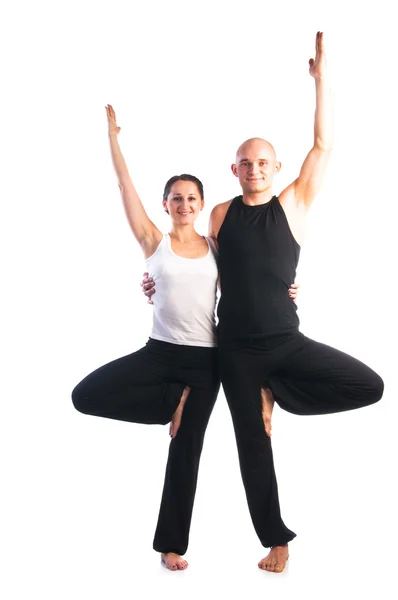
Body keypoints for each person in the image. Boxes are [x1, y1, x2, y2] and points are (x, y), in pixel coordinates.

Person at [142, 32, 384, 573]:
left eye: (263, 163)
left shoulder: (293, 202)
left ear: (275, 169)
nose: (254, 169)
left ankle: (283, 392)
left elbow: (322, 147)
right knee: (255, 451)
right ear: (234, 170)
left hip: (287, 344)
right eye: (245, 163)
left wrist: (322, 84)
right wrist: (154, 282)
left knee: (368, 385)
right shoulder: (219, 214)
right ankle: (277, 541)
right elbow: (197, 268)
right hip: (235, 353)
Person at [71, 105, 299, 571]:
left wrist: (287, 287)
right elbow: (125, 188)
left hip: (206, 361)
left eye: (192, 198)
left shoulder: (216, 246)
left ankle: (170, 545)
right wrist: (113, 139)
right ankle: (167, 404)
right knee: (85, 394)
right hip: (158, 354)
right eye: (176, 198)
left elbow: (254, 266)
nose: (185, 204)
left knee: (186, 453)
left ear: (201, 203)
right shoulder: (151, 240)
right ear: (166, 205)